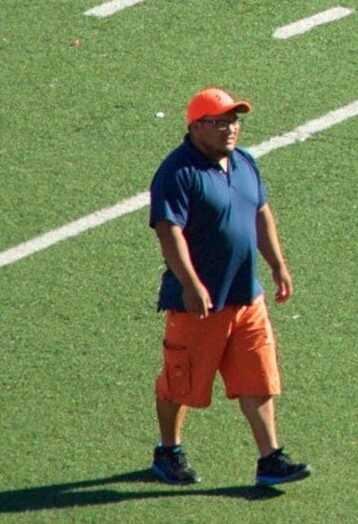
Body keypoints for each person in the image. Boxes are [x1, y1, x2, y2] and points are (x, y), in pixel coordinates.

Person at [148, 88, 307, 488]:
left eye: (234, 121)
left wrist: (278, 265)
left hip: (246, 296)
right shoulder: (178, 172)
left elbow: (260, 214)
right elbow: (169, 232)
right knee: (180, 383)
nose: (230, 129)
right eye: (219, 122)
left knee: (258, 379)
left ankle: (270, 458)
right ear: (196, 127)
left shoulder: (244, 162)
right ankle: (169, 450)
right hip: (199, 304)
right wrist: (191, 283)